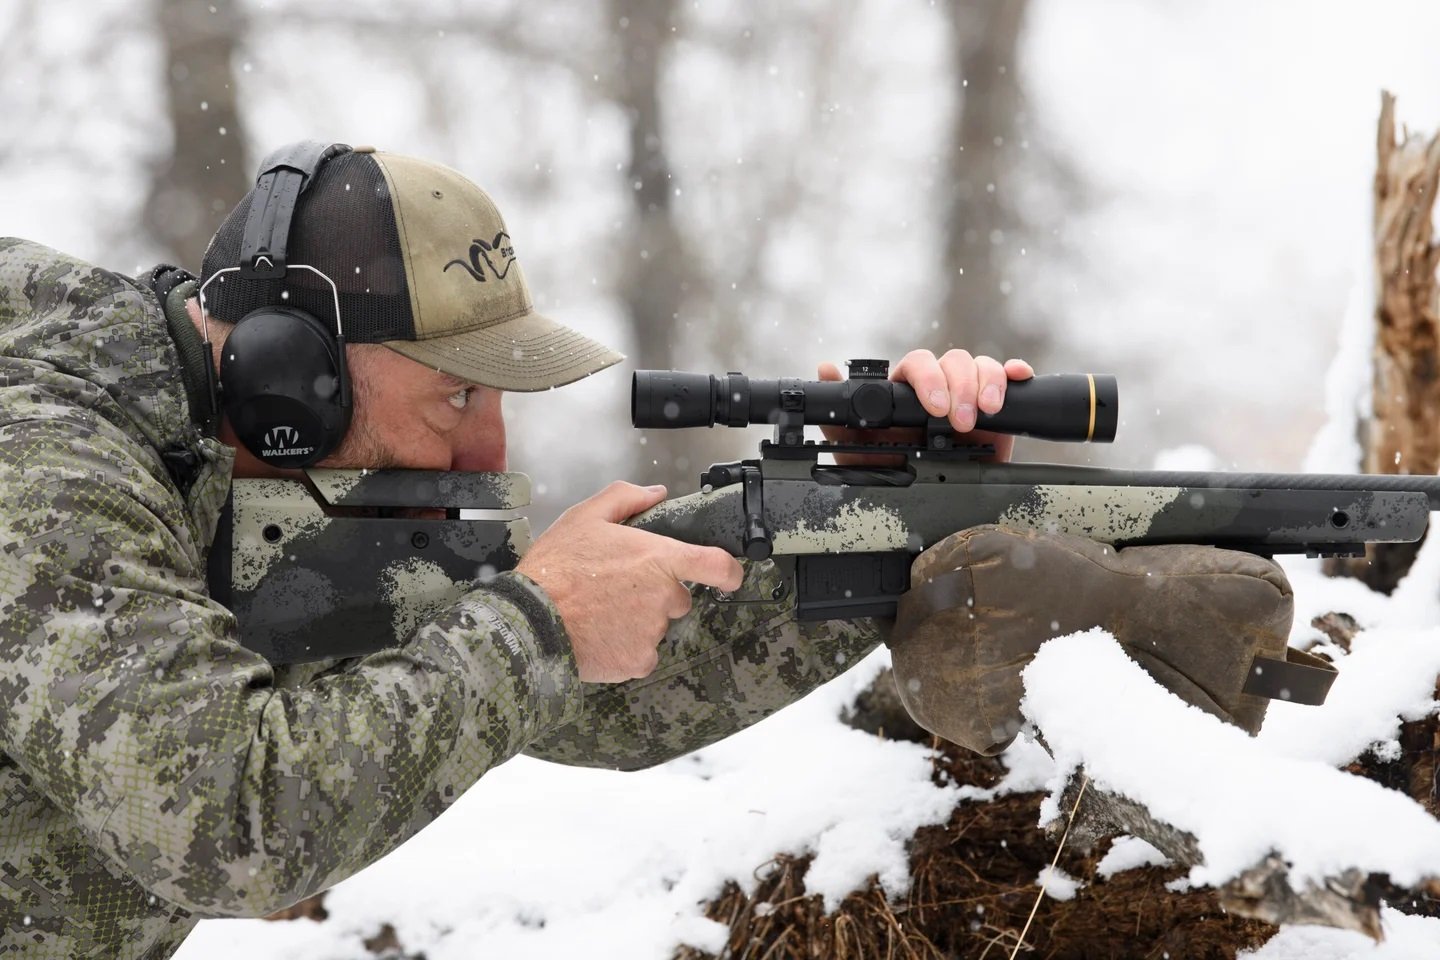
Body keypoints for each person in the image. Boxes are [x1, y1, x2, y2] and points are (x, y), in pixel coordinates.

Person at [0, 141, 1037, 957]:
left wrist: (881, 514)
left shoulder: (221, 481)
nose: (487, 446)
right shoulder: (42, 468)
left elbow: (609, 683)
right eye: (456, 395)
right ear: (288, 376)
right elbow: (222, 822)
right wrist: (534, 625)